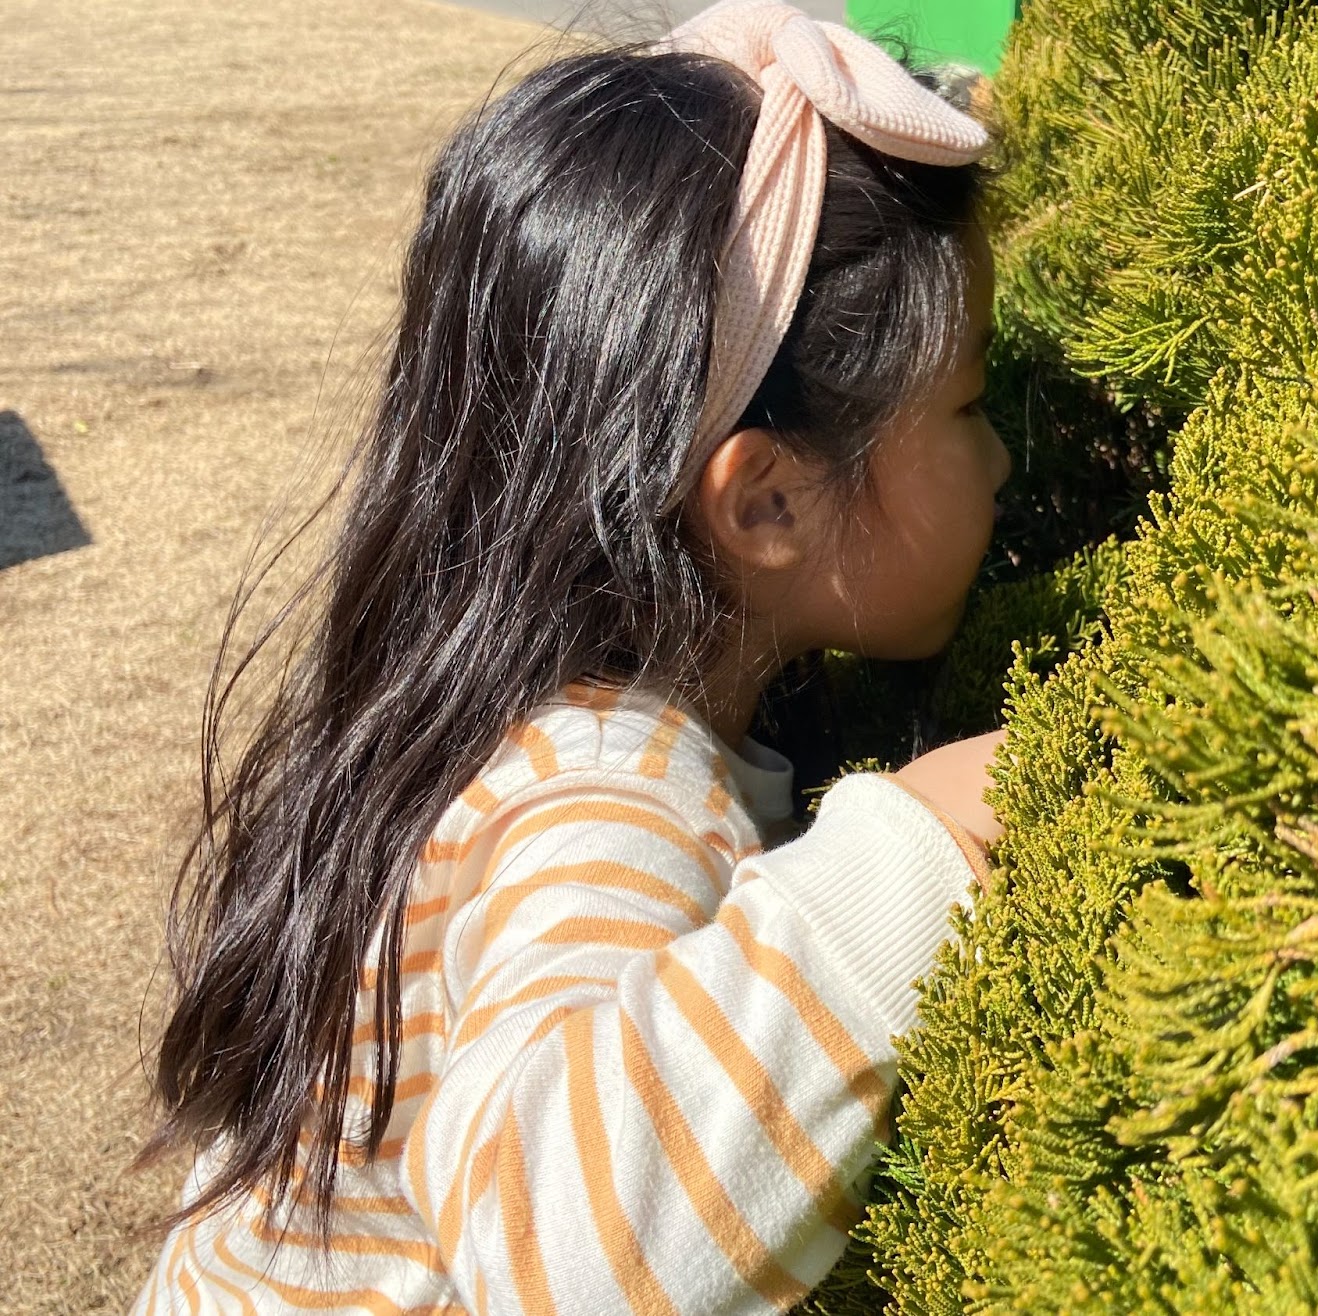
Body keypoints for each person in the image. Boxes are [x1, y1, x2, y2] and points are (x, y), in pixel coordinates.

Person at [129, 0, 1014, 1309]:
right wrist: (916, 855)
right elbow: (572, 1254)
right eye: (974, 402)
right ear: (764, 503)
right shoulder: (607, 794)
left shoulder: (527, 712)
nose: (1003, 459)